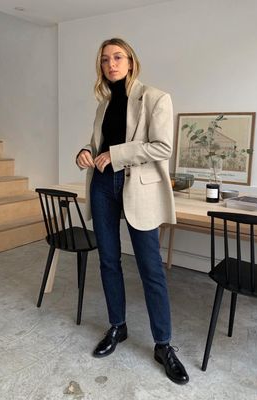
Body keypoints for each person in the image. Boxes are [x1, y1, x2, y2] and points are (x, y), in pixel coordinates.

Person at [76, 38, 189, 385]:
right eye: (105, 59)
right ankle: (117, 327)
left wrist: (117, 155)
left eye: (118, 57)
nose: (111, 63)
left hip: (137, 187)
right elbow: (97, 145)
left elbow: (162, 147)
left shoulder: (155, 97)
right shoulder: (103, 104)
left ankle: (164, 345)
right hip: (102, 187)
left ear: (130, 61)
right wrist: (85, 151)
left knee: (150, 266)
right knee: (108, 261)